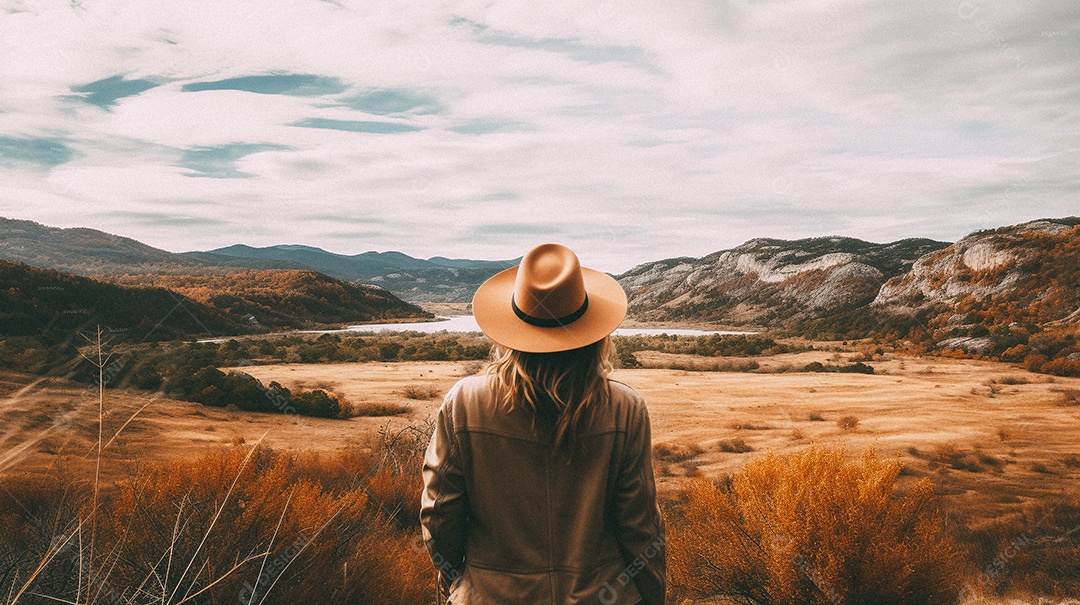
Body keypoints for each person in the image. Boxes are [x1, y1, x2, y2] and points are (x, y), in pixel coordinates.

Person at [420, 243, 666, 605]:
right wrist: (652, 595)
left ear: (513, 328)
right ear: (593, 332)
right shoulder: (625, 408)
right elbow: (640, 527)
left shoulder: (465, 402)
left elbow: (439, 515)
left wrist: (461, 582)